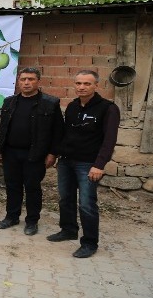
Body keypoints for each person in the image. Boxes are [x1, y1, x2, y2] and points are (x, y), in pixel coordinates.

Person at [47, 70, 119, 258]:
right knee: (65, 198)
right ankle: (68, 229)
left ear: (96, 85)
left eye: (87, 84)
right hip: (66, 162)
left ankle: (89, 243)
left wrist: (99, 165)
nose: (82, 87)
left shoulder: (108, 109)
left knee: (87, 204)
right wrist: (59, 155)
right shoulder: (72, 107)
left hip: (88, 164)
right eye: (78, 83)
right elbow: (65, 134)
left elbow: (109, 140)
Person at [0, 67, 64, 235]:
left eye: (31, 79)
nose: (26, 83)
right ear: (18, 82)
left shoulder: (50, 103)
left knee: (32, 188)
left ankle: (32, 221)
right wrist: (1, 148)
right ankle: (11, 216)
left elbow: (58, 132)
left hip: (35, 154)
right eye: (23, 79)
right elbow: (3, 127)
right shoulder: (9, 102)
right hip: (11, 152)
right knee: (12, 186)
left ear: (38, 81)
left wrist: (52, 153)